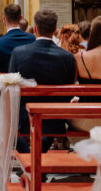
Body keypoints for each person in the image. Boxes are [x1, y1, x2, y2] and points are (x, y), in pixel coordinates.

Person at [9, 9, 77, 153]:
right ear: (55, 30)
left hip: (25, 118)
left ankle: (30, 158)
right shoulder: (67, 57)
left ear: (35, 29)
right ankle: (36, 156)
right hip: (55, 119)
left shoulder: (19, 53)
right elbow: (70, 89)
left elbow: (12, 85)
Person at [0, 4, 35, 74]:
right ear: (21, 18)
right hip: (30, 83)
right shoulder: (32, 39)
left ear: (4, 19)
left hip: (6, 82)